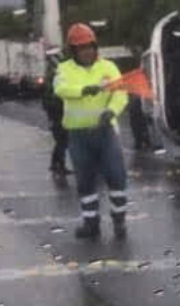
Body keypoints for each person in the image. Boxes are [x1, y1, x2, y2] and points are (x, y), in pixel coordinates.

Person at [54, 23, 129, 239]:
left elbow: (120, 93)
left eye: (89, 47)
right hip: (78, 135)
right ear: (73, 51)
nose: (86, 52)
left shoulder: (108, 67)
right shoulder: (64, 69)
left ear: (95, 47)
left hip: (105, 133)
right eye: (81, 48)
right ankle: (91, 223)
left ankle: (119, 220)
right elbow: (60, 88)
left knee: (116, 176)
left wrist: (111, 111)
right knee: (85, 180)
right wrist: (82, 91)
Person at [42, 53, 69, 175]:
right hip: (58, 116)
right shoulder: (52, 83)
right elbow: (49, 102)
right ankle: (59, 166)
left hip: (58, 115)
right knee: (62, 141)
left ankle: (55, 164)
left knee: (61, 141)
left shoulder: (51, 80)